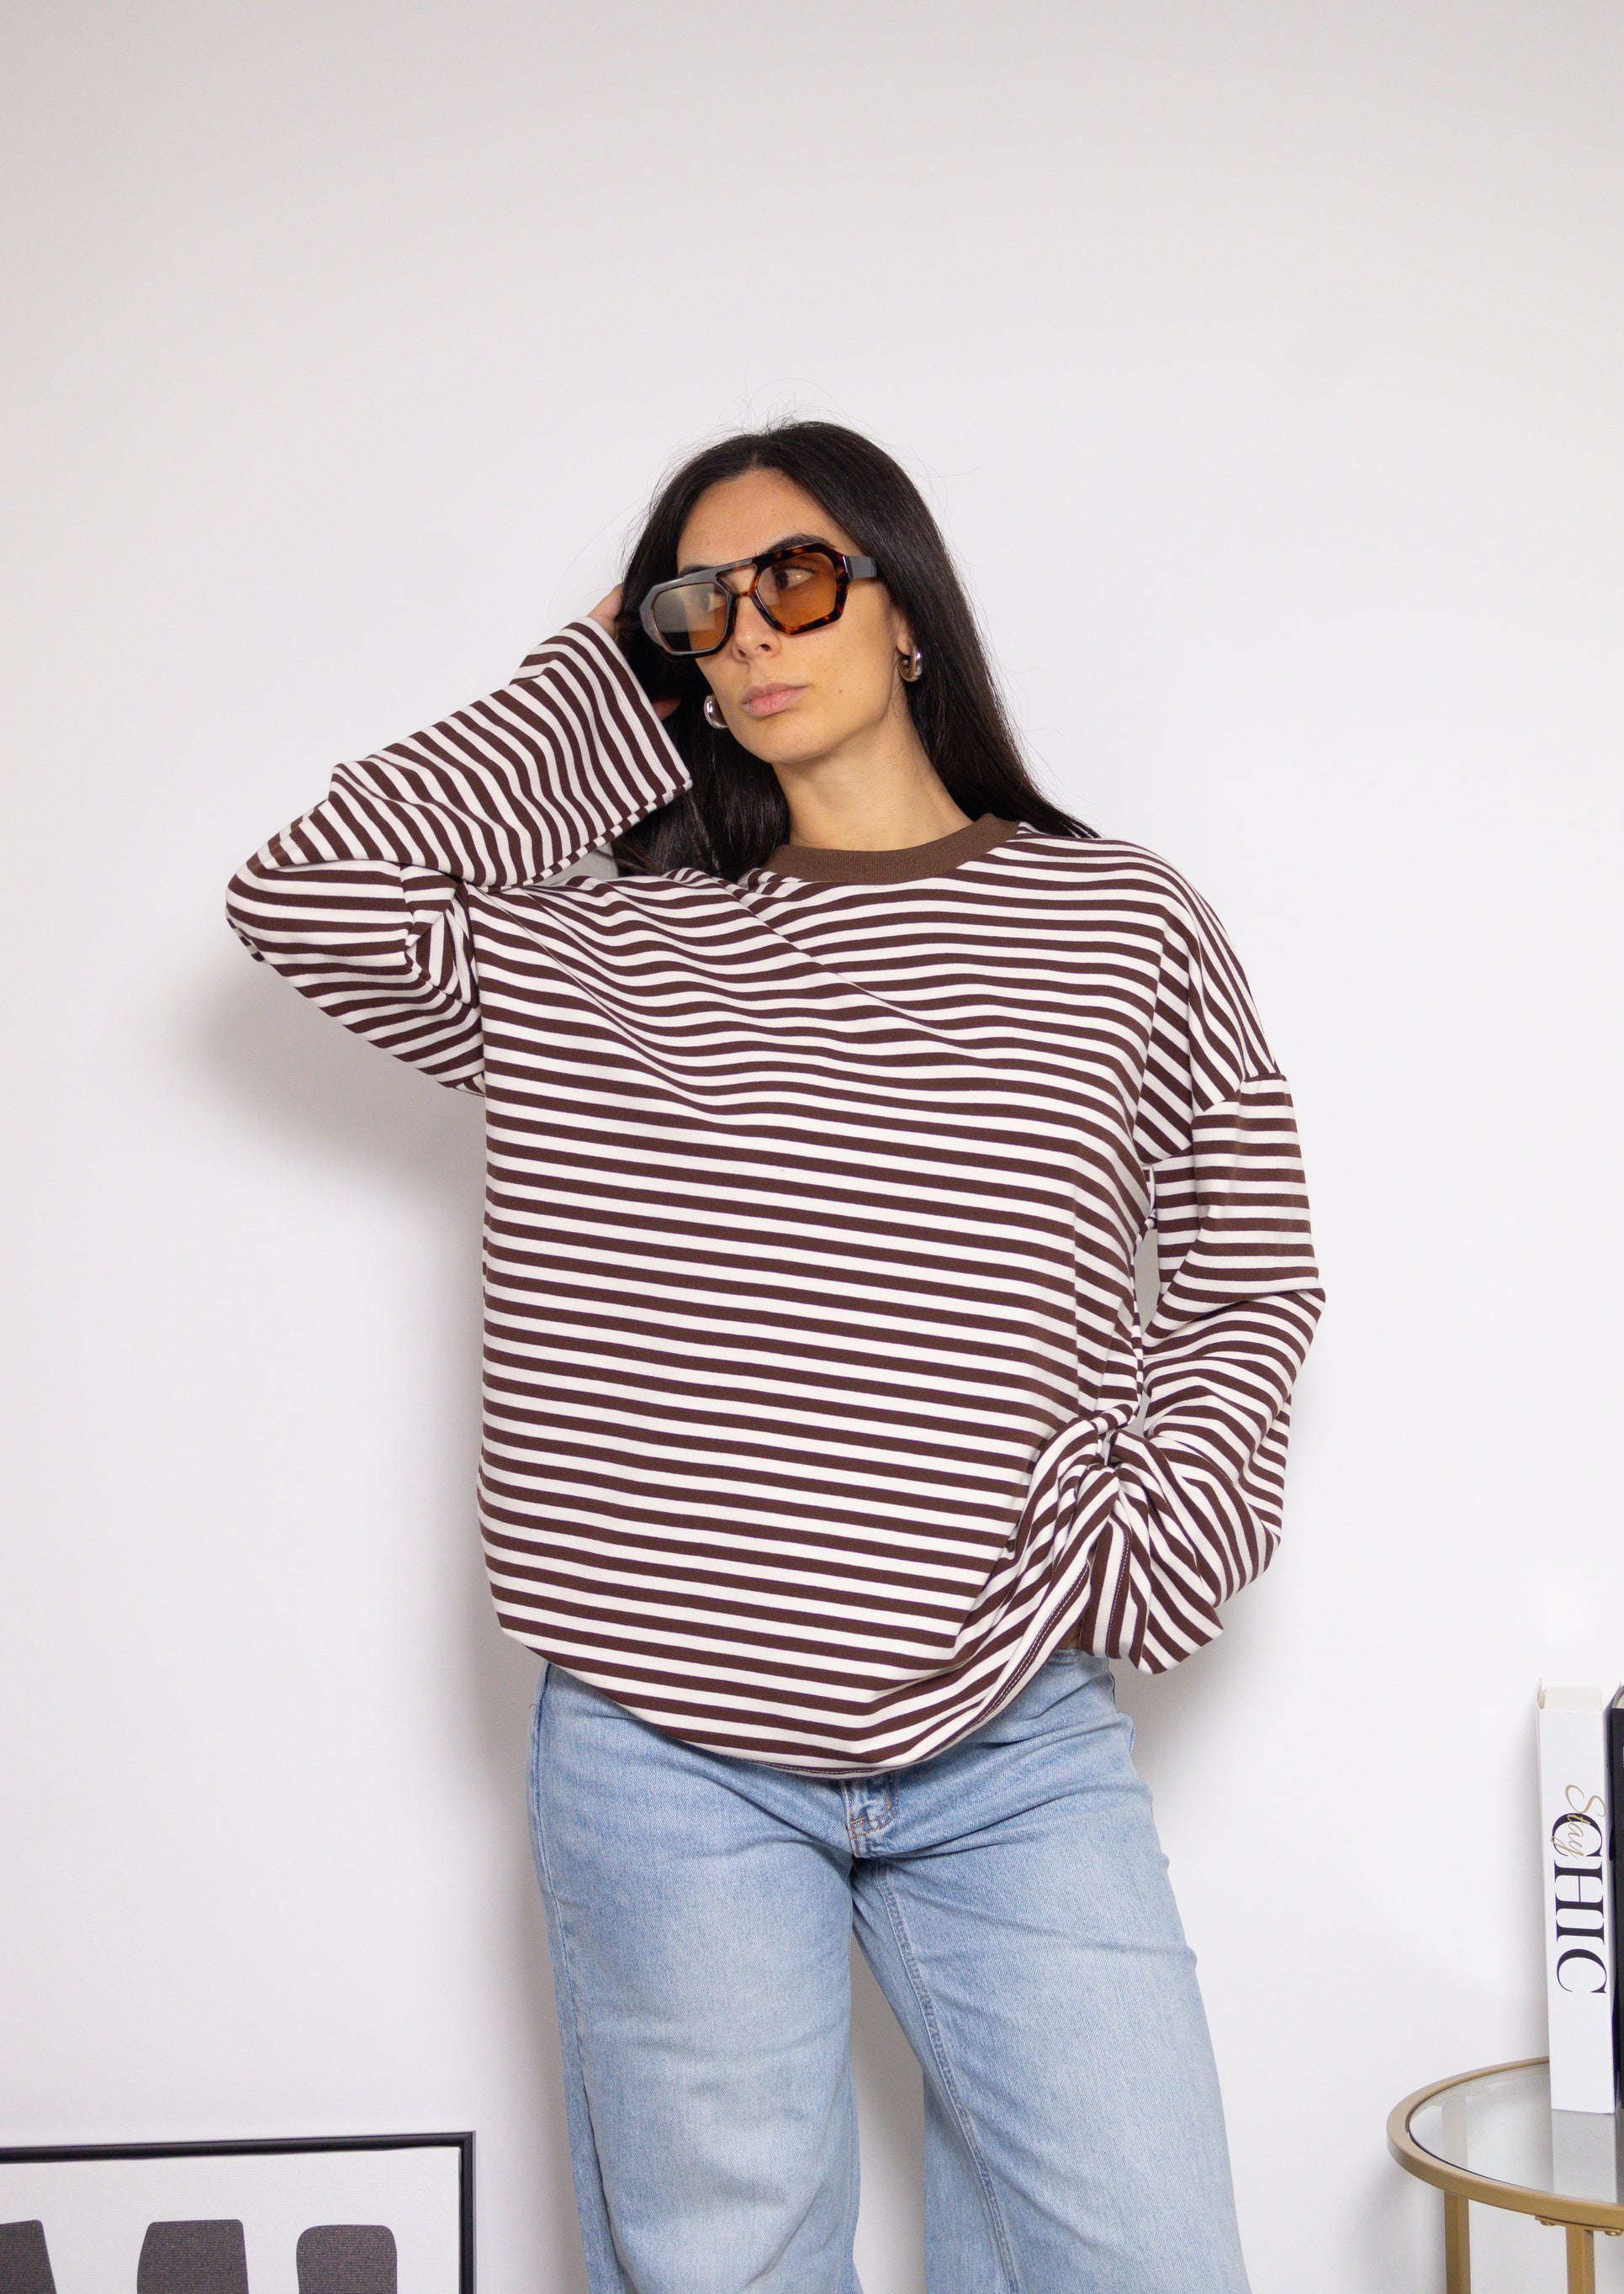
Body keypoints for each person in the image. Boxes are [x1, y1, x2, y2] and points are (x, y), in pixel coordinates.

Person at [227, 420, 1324, 2294]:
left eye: (797, 579)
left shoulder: (1117, 922)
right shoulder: (590, 948)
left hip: (1013, 1725)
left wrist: (1168, 1527)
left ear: (908, 612)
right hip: (667, 1748)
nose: (749, 630)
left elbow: (1247, 1257)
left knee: (1148, 2254)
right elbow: (305, 892)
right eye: (698, 607)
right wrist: (598, 681)